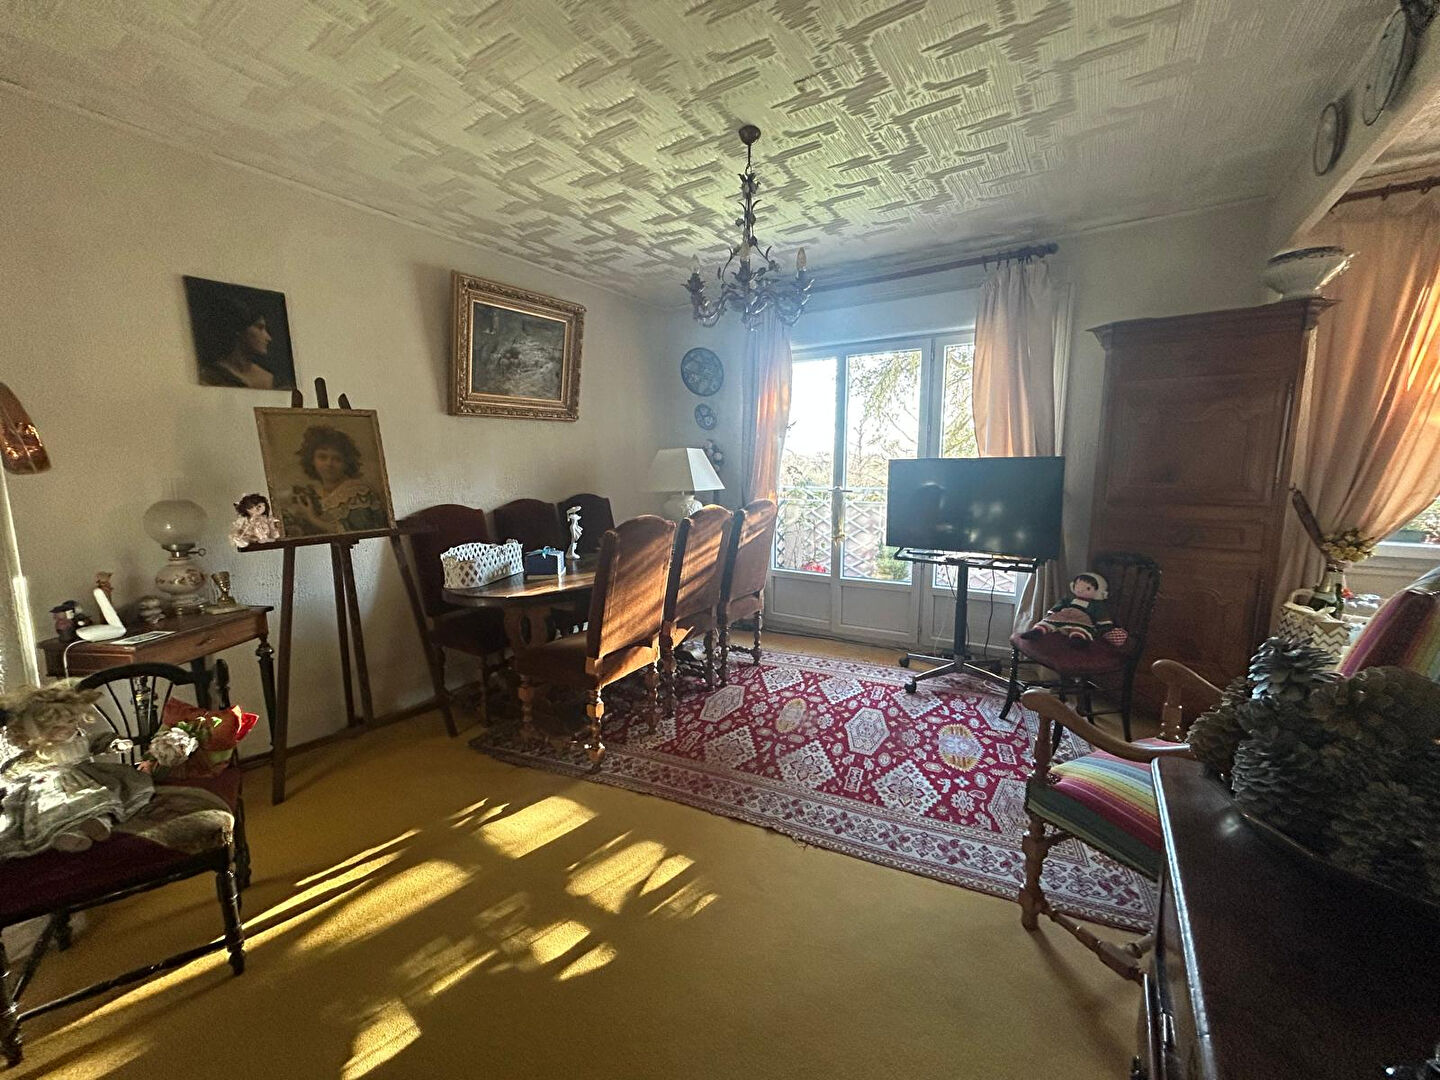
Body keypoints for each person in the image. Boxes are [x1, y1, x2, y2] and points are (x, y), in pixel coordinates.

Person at [279, 426, 388, 536]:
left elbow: (360, 533)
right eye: (322, 457)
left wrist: (312, 518)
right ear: (312, 460)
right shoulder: (314, 491)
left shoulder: (357, 492)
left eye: (337, 459)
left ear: (346, 463)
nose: (329, 464)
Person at [196, 293, 287, 389]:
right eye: (260, 328)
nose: (268, 338)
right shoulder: (211, 376)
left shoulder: (269, 378)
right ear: (238, 329)